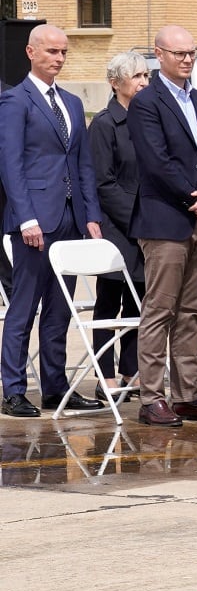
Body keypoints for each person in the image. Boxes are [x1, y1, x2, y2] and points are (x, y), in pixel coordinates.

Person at [128, 24, 197, 426]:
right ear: (159, 55)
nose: (187, 59)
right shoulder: (146, 103)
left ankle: (186, 395)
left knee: (192, 311)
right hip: (166, 222)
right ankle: (151, 397)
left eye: (192, 53)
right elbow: (157, 164)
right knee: (160, 310)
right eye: (179, 53)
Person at [0, 25, 105, 418]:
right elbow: (10, 165)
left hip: (70, 218)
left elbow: (83, 165)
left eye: (63, 52)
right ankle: (13, 390)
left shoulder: (73, 104)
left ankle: (55, 387)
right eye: (51, 52)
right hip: (34, 222)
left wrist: (91, 215)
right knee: (24, 307)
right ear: (30, 52)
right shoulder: (15, 101)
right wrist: (25, 217)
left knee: (60, 309)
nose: (58, 59)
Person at [88, 51, 150, 400]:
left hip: (147, 227)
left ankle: (131, 370)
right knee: (109, 303)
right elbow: (104, 182)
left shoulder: (147, 119)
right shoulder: (105, 124)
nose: (143, 82)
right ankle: (105, 375)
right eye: (137, 76)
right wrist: (138, 217)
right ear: (116, 83)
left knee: (139, 303)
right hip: (118, 228)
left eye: (146, 76)